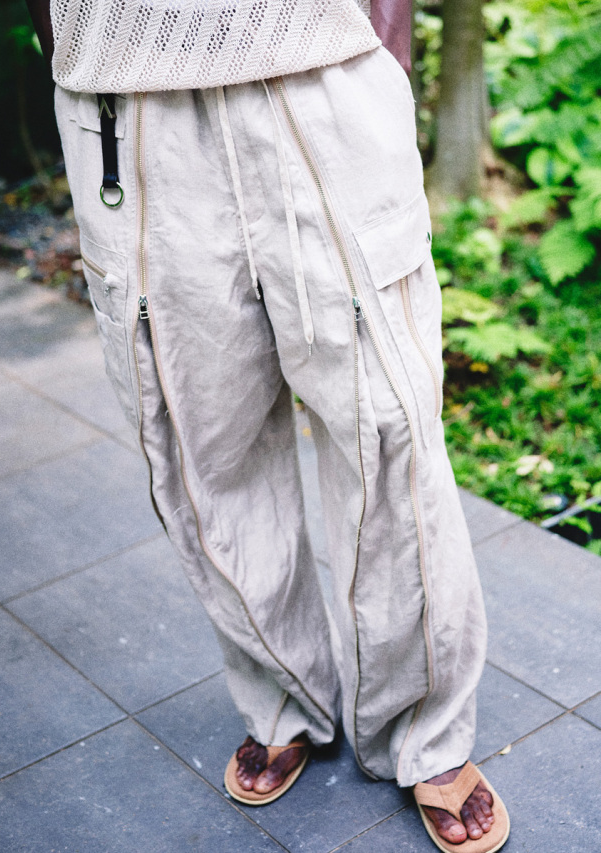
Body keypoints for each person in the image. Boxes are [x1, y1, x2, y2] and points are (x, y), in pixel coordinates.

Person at [25, 2, 510, 850]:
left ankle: (424, 729)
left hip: (320, 71)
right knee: (200, 440)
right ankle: (282, 691)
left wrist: (381, 38)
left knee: (389, 421)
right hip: (125, 103)